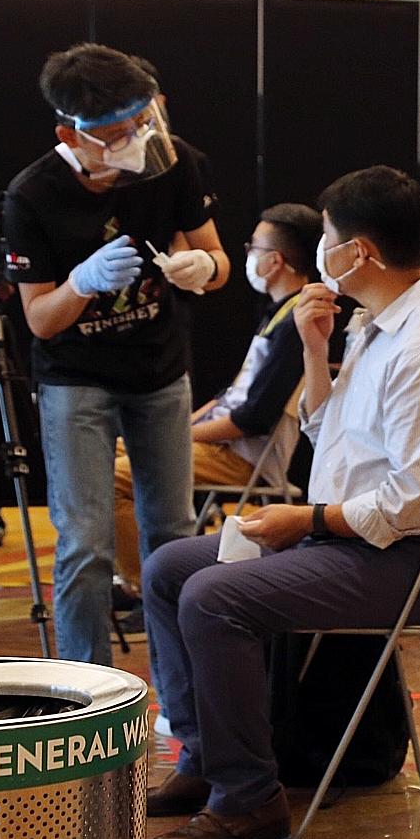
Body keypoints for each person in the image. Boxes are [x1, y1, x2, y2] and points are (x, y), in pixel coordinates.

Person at [139, 165, 420, 839]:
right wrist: (314, 351)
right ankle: (205, 759)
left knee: (212, 599)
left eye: (328, 238)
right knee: (168, 570)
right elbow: (326, 434)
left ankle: (248, 800)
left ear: (358, 251)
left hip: (402, 560)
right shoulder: (372, 323)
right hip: (345, 537)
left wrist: (304, 522)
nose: (320, 253)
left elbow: (415, 504)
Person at [4, 42, 230, 665]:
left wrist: (201, 266)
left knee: (174, 533)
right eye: (115, 133)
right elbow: (40, 321)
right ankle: (87, 693)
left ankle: (182, 684)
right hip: (76, 380)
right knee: (84, 542)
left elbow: (220, 266)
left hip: (159, 371)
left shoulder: (174, 163)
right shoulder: (31, 196)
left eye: (141, 123)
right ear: (70, 133)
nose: (133, 140)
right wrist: (82, 282)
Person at [110, 202, 320, 596]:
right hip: (223, 446)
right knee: (116, 449)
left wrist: (180, 436)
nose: (246, 256)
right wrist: (183, 426)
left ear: (275, 261)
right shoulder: (279, 313)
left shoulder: (298, 321)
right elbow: (231, 396)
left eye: (252, 248)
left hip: (241, 459)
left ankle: (144, 587)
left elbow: (252, 418)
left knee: (111, 480)